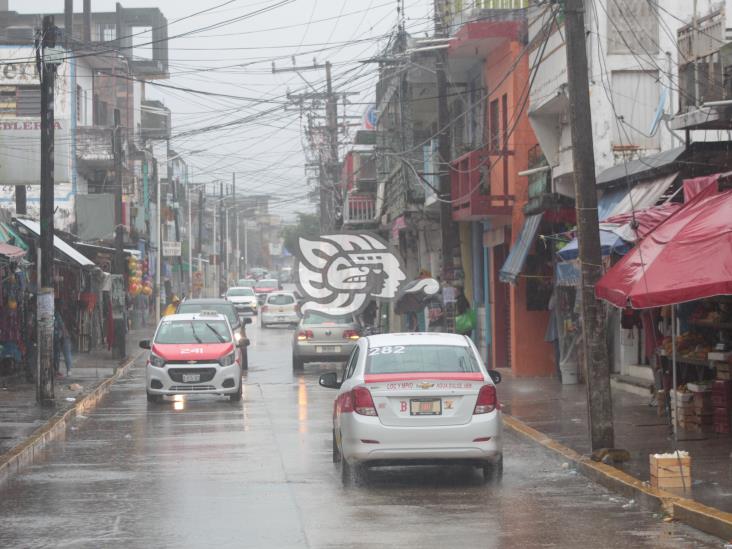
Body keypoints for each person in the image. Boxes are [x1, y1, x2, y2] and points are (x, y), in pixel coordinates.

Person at [53, 301, 72, 378]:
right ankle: (58, 370)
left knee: (64, 353)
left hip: (62, 336)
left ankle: (68, 370)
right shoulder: (56, 313)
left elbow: (62, 325)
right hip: (58, 336)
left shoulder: (56, 313)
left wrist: (65, 334)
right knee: (57, 354)